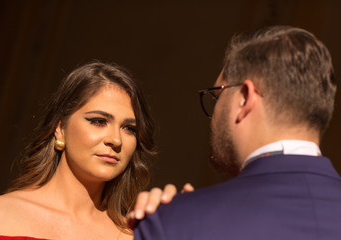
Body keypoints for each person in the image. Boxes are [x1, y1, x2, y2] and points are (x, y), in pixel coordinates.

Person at [134, 25, 340, 239]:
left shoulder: (173, 222)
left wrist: (185, 216)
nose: (213, 119)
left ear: (244, 97)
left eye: (217, 95)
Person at [0, 61, 167, 239]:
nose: (116, 140)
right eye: (98, 121)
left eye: (129, 129)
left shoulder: (137, 234)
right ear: (60, 129)